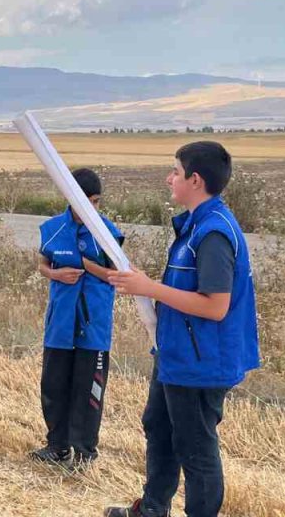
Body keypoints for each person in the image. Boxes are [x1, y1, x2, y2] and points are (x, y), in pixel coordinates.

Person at [104, 142, 260, 517]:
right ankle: (153, 509)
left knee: (195, 448)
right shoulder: (195, 226)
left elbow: (215, 306)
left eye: (174, 171)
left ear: (195, 179)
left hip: (200, 362)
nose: (168, 178)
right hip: (176, 353)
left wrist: (149, 288)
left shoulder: (213, 234)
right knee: (159, 426)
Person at [33, 168, 124, 468]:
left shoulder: (107, 234)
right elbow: (43, 264)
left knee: (88, 391)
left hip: (93, 326)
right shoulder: (53, 229)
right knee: (54, 385)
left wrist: (87, 265)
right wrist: (56, 273)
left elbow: (118, 276)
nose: (92, 209)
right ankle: (56, 446)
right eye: (87, 202)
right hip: (60, 323)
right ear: (70, 198)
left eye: (97, 202)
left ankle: (84, 453)